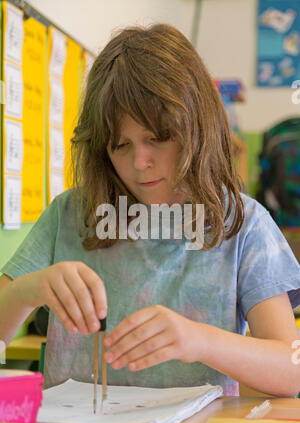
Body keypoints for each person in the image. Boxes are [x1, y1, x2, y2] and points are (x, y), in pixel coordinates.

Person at [0, 24, 299, 397]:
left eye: (157, 139)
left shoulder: (243, 224)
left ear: (196, 129)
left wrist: (201, 340)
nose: (140, 162)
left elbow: (292, 371)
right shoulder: (71, 215)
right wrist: (26, 291)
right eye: (119, 145)